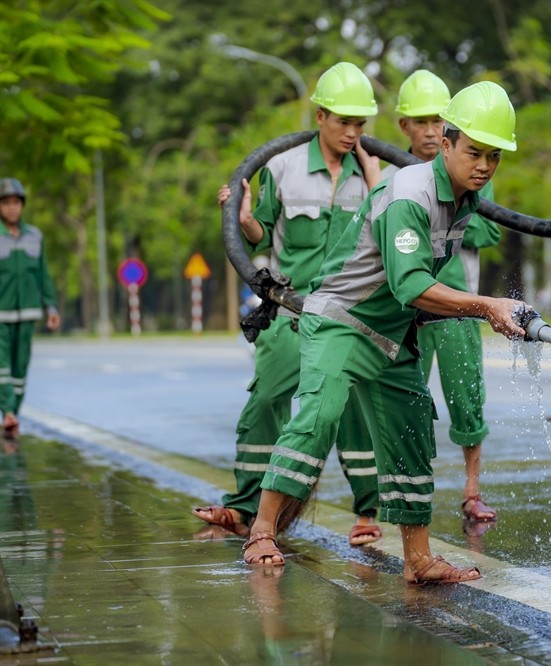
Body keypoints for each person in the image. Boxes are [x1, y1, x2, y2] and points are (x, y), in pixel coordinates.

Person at [241, 81, 527, 586]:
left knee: (411, 426)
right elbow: (411, 283)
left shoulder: (463, 199)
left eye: (494, 156)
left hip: (391, 331)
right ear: (446, 145)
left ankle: (418, 560)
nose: (484, 165)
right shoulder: (409, 194)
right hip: (343, 322)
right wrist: (486, 305)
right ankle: (261, 531)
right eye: (474, 152)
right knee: (320, 414)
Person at [193, 62, 384, 547]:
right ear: (320, 116)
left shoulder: (374, 175)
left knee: (354, 410)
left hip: (347, 315)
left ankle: (368, 512)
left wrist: (376, 179)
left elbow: (387, 234)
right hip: (288, 311)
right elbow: (259, 232)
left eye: (359, 124)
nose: (352, 132)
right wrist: (241, 217)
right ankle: (243, 508)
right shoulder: (283, 167)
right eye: (343, 121)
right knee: (265, 401)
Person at [388, 70, 502, 524]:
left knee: (466, 396)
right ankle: (402, 499)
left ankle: (472, 491)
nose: (432, 130)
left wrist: (444, 217)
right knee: (405, 402)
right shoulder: (396, 176)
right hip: (408, 310)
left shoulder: (475, 171)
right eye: (421, 121)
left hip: (459, 305)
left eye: (439, 120)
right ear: (405, 127)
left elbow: (491, 229)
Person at [0, 178, 60, 441]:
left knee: (20, 368)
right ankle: (8, 412)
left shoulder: (35, 236)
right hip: (1, 314)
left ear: (22, 205)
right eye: (6, 203)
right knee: (2, 367)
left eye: (16, 202)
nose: (11, 208)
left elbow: (43, 274)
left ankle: (13, 414)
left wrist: (51, 306)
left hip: (28, 312)